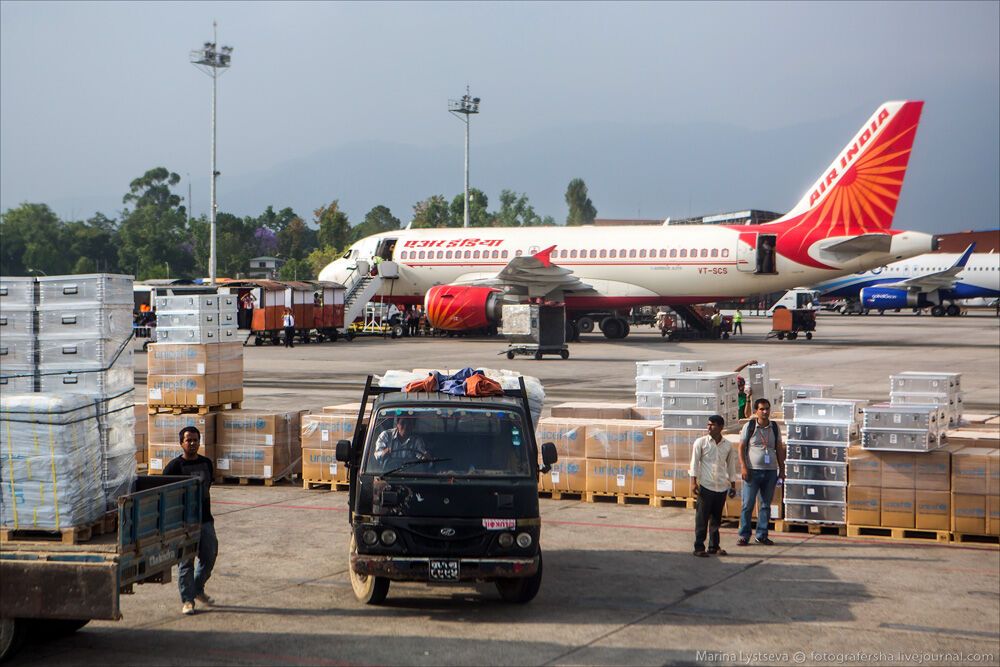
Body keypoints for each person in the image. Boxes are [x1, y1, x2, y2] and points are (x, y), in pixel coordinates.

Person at [163, 426, 217, 616]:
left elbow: (209, 486)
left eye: (195, 440)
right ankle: (188, 600)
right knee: (186, 562)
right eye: (188, 440)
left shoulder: (206, 463)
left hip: (205, 520)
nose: (192, 443)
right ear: (181, 443)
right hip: (183, 523)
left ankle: (197, 587)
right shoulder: (173, 467)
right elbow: (166, 496)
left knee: (209, 556)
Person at [737, 398, 785, 546]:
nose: (765, 412)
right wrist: (744, 467)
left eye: (767, 409)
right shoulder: (750, 426)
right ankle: (744, 535)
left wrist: (782, 470)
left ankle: (762, 534)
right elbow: (741, 447)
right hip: (752, 471)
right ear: (756, 411)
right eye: (762, 409)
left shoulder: (774, 427)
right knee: (748, 504)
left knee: (765, 505)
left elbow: (779, 448)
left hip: (770, 472)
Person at [689, 415, 738, 557]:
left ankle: (714, 546)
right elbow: (694, 463)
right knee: (702, 518)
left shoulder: (727, 445)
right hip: (706, 486)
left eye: (713, 425)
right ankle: (699, 547)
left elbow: (731, 467)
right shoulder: (701, 442)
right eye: (708, 424)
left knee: (716, 519)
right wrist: (693, 482)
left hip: (721, 487)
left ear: (721, 427)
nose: (709, 427)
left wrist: (733, 485)